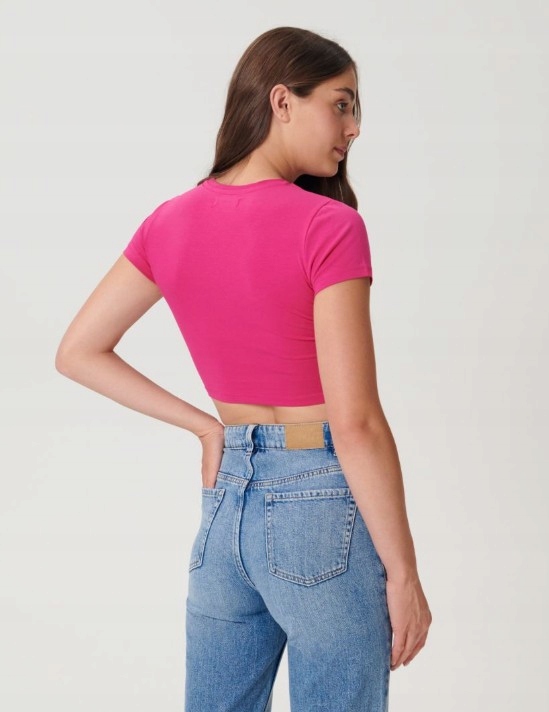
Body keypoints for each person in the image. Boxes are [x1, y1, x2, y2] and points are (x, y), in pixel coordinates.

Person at [55, 25, 432, 712]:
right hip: (320, 506)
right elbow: (355, 422)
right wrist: (403, 574)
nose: (353, 128)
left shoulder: (169, 221)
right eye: (341, 104)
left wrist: (209, 429)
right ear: (282, 101)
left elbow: (78, 350)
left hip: (226, 506)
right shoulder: (328, 225)